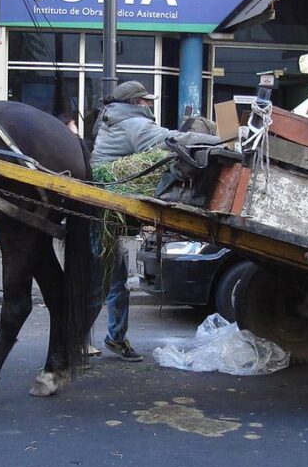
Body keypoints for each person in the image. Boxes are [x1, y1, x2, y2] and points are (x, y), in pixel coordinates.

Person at [91, 81, 221, 361]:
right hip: (105, 210)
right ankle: (83, 340)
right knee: (105, 281)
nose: (149, 105)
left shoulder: (115, 119)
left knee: (113, 281)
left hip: (109, 208)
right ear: (137, 102)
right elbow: (168, 140)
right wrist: (220, 142)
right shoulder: (131, 124)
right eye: (146, 100)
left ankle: (113, 338)